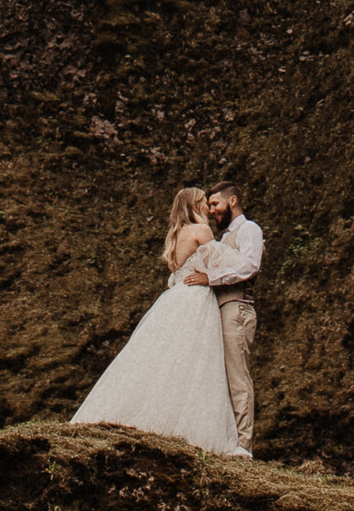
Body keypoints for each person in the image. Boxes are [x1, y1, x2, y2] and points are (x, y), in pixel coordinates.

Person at [69, 185, 242, 453]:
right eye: (203, 203)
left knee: (162, 357)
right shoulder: (201, 231)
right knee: (194, 360)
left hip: (174, 299)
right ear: (194, 205)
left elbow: (175, 273)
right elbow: (219, 265)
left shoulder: (176, 234)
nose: (208, 208)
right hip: (196, 298)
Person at [178, 174, 264, 456]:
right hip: (219, 309)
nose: (211, 209)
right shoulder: (225, 236)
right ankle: (226, 440)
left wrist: (210, 278)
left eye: (215, 203)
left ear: (233, 201)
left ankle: (243, 444)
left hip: (236, 307)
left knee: (238, 376)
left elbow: (250, 266)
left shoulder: (249, 229)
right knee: (219, 376)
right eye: (209, 205)